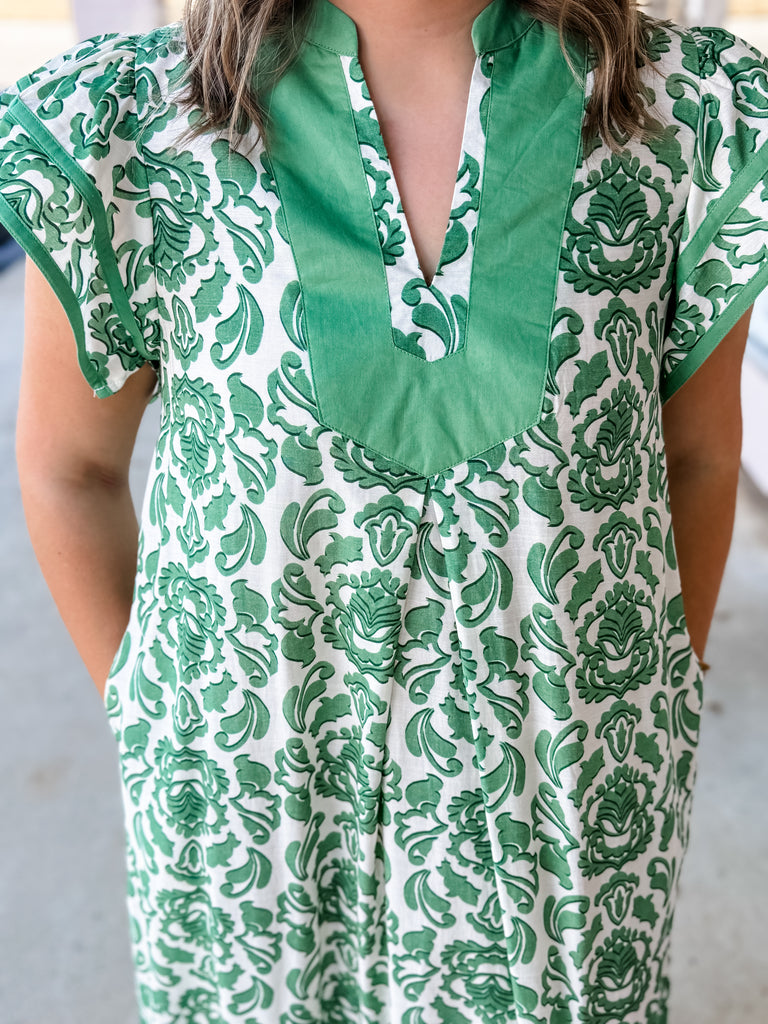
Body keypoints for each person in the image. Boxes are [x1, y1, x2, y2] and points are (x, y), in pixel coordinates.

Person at [0, 0, 764, 1020]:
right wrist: (154, 715)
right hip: (245, 825)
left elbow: (698, 458)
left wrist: (651, 688)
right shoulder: (133, 127)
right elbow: (70, 470)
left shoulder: (687, 115)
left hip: (574, 812)